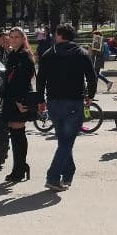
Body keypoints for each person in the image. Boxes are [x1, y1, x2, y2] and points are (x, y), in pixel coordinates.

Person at [36, 24, 98, 191]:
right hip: (73, 101)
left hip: (54, 101)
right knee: (67, 141)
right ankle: (53, 176)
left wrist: (40, 99)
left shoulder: (49, 54)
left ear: (59, 35)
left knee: (63, 140)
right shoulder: (81, 53)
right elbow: (91, 77)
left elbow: (40, 79)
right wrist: (90, 95)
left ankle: (69, 172)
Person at [1, 27, 36, 183]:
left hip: (20, 99)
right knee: (15, 134)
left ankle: (19, 169)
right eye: (12, 36)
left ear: (23, 39)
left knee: (18, 134)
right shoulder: (13, 54)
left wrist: (19, 101)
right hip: (11, 98)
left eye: (17, 37)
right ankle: (20, 167)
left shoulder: (25, 56)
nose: (14, 39)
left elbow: (22, 81)